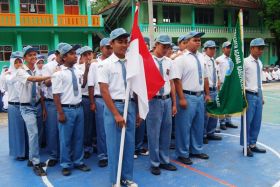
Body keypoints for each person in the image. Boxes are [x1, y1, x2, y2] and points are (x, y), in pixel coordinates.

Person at [98, 28, 138, 187]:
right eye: (119, 42)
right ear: (111, 43)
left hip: (130, 105)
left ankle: (127, 177)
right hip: (114, 106)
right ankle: (115, 181)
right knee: (114, 146)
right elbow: (104, 90)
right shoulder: (105, 65)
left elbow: (137, 87)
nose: (123, 45)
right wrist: (115, 114)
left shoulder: (132, 63)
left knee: (129, 144)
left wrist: (139, 110)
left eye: (125, 42)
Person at [171, 31, 210, 165]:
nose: (198, 42)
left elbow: (204, 76)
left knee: (198, 125)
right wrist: (181, 98)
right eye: (195, 40)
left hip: (199, 96)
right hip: (187, 96)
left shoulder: (201, 57)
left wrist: (207, 93)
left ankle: (196, 150)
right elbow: (176, 79)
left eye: (199, 40)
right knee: (183, 126)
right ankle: (182, 153)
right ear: (187, 42)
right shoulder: (180, 59)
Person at [52, 43, 90, 176]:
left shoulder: (78, 71)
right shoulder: (59, 74)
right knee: (65, 138)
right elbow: (56, 95)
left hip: (78, 108)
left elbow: (83, 84)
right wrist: (60, 112)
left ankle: (78, 161)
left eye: (75, 53)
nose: (75, 56)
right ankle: (66, 164)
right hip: (66, 109)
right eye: (72, 54)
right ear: (64, 57)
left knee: (79, 137)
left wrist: (87, 69)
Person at [16, 45, 50, 176]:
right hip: (26, 107)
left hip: (37, 105)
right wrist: (51, 76)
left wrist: (43, 108)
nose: (33, 57)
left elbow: (39, 89)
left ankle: (31, 159)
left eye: (35, 55)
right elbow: (33, 80)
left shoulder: (36, 70)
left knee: (36, 134)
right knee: (34, 133)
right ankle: (36, 164)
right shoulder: (21, 71)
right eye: (30, 55)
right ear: (24, 58)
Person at [146, 34, 177, 175]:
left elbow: (171, 82)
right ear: (156, 44)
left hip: (167, 99)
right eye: (163, 46)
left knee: (166, 132)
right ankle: (154, 162)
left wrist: (174, 103)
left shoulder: (169, 62)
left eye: (168, 47)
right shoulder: (147, 60)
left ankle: (165, 160)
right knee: (153, 133)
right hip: (153, 101)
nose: (166, 49)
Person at [240, 38, 267, 157]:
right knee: (247, 122)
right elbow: (240, 81)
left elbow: (259, 81)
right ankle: (245, 146)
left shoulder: (259, 63)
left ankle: (252, 144)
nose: (261, 50)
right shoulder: (244, 62)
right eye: (259, 48)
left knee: (257, 121)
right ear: (251, 48)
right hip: (248, 95)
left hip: (258, 95)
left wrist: (262, 95)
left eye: (262, 48)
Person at [88, 37, 112, 167]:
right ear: (102, 48)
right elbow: (91, 85)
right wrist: (92, 102)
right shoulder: (95, 64)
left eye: (111, 47)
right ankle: (103, 155)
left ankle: (113, 153)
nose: (110, 50)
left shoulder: (115, 62)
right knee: (102, 129)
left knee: (114, 128)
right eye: (107, 47)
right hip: (100, 99)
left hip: (113, 99)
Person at [41, 43, 65, 167]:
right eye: (62, 55)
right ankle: (54, 155)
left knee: (65, 130)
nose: (64, 57)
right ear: (56, 54)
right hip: (52, 103)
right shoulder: (48, 67)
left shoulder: (70, 65)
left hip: (65, 102)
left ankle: (65, 154)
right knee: (52, 130)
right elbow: (46, 83)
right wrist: (54, 75)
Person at [5, 51, 28, 161]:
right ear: (12, 62)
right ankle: (19, 153)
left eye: (20, 61)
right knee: (17, 131)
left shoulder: (25, 72)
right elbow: (6, 86)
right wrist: (18, 72)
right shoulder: (7, 74)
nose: (19, 64)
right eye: (16, 62)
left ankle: (27, 152)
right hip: (14, 105)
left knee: (27, 130)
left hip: (25, 104)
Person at [76, 46, 96, 159]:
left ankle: (95, 143)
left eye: (90, 54)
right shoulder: (78, 68)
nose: (88, 57)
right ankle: (87, 147)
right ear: (82, 57)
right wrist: (87, 69)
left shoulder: (98, 64)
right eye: (86, 55)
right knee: (87, 125)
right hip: (86, 98)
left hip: (97, 98)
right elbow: (83, 85)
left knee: (96, 124)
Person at [203, 40, 222, 144]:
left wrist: (218, 82)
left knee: (214, 113)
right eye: (211, 48)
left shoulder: (214, 61)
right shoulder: (203, 60)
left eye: (215, 48)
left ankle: (211, 132)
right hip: (208, 91)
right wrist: (207, 93)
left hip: (215, 90)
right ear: (205, 49)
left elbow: (217, 73)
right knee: (206, 114)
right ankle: (203, 134)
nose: (213, 50)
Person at [216, 41, 238, 130]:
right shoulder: (219, 60)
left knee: (230, 103)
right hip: (222, 85)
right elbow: (217, 72)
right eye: (227, 47)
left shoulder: (232, 60)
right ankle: (222, 122)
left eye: (230, 47)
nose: (229, 49)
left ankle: (228, 121)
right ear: (223, 49)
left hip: (231, 85)